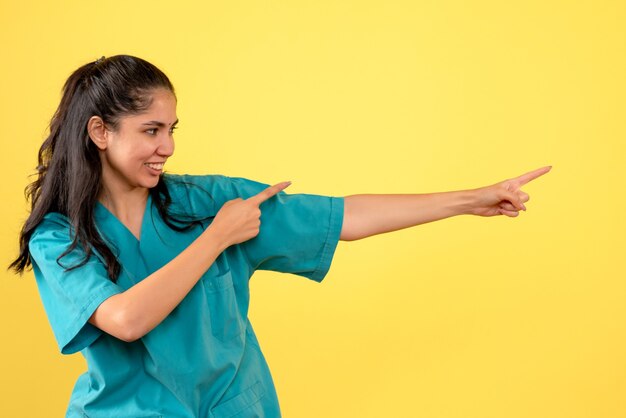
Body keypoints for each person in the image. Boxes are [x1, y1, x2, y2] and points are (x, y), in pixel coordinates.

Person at [10, 54, 551, 418]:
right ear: (100, 132)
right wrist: (218, 238)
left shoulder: (204, 200)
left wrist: (469, 200)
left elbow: (342, 218)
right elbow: (125, 320)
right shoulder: (59, 237)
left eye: (172, 129)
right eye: (151, 130)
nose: (168, 147)